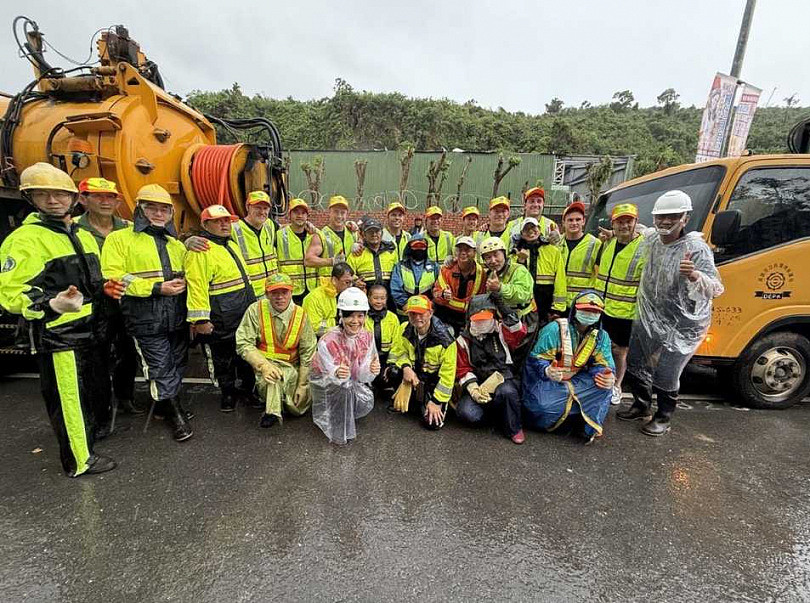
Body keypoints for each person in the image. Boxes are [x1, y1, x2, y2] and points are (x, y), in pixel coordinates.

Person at [0, 163, 115, 476]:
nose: (53, 200)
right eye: (43, 194)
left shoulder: (81, 234)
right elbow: (11, 293)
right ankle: (79, 461)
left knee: (86, 394)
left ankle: (88, 442)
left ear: (72, 197)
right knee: (68, 400)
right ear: (31, 199)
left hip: (90, 330)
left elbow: (94, 281)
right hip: (58, 334)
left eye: (59, 194)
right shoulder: (25, 240)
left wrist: (109, 286)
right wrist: (50, 304)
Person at [617, 190, 723, 436]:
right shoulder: (652, 238)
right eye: (661, 216)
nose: (665, 221)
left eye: (672, 216)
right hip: (648, 315)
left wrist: (694, 275)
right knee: (636, 363)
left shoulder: (696, 248)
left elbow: (717, 288)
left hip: (682, 325)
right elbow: (637, 229)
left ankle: (664, 416)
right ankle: (641, 405)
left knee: (666, 372)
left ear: (685, 218)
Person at [101, 184, 193, 442]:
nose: (158, 213)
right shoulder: (119, 240)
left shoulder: (176, 244)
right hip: (145, 318)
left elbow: (189, 272)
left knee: (177, 362)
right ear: (139, 209)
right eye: (151, 207)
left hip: (176, 316)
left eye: (164, 209)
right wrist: (155, 288)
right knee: (160, 366)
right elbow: (114, 276)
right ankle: (175, 414)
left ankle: (169, 404)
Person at [75, 177, 140, 429]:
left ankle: (125, 397)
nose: (105, 201)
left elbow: (160, 243)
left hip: (124, 301)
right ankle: (99, 409)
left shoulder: (129, 228)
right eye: (98, 196)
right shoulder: (74, 231)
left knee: (127, 352)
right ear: (83, 199)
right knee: (96, 357)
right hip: (92, 304)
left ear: (117, 200)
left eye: (110, 197)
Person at [185, 204, 256, 412]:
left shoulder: (230, 244)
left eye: (227, 220)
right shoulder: (201, 250)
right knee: (221, 359)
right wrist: (200, 320)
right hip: (220, 317)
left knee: (243, 355)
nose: (225, 224)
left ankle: (246, 390)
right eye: (218, 221)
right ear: (205, 224)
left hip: (241, 312)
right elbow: (197, 286)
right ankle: (227, 393)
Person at [522, 291, 615, 444]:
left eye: (594, 312)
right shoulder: (554, 330)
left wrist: (608, 376)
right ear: (575, 310)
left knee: (604, 386)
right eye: (585, 310)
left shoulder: (601, 336)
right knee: (543, 407)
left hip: (577, 381)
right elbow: (534, 361)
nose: (589, 314)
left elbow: (604, 365)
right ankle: (571, 415)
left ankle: (586, 427)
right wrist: (547, 370)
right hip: (548, 382)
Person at [236, 273, 317, 428]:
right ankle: (272, 412)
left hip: (292, 368)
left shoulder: (301, 314)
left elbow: (308, 352)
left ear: (291, 292)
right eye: (274, 293)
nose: (280, 297)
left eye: (284, 292)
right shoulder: (255, 310)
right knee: (273, 378)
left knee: (297, 409)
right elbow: (243, 342)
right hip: (265, 365)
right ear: (267, 294)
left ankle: (279, 402)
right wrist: (263, 366)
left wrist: (302, 384)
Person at [310, 287, 380, 444]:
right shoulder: (328, 341)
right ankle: (336, 425)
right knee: (344, 388)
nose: (355, 321)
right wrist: (336, 373)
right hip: (328, 387)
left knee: (359, 397)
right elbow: (327, 376)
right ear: (341, 315)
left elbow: (362, 376)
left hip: (351, 382)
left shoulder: (367, 336)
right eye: (350, 316)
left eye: (360, 316)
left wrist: (371, 370)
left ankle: (346, 412)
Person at [455, 294, 527, 444]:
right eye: (478, 320)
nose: (482, 322)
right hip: (480, 383)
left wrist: (502, 306)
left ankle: (514, 428)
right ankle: (495, 417)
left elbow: (519, 330)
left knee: (507, 392)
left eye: (486, 319)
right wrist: (474, 389)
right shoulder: (463, 340)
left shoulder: (501, 331)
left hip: (503, 379)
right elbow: (462, 368)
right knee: (467, 413)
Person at [594, 203, 646, 406]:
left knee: (619, 351)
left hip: (626, 311)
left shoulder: (643, 248)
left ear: (635, 223)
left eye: (628, 221)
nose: (624, 225)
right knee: (600, 347)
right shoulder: (609, 243)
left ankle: (616, 385)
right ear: (613, 224)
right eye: (620, 221)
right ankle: (602, 380)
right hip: (602, 308)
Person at [388, 295, 457, 430]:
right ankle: (413, 402)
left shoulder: (446, 341)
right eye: (412, 313)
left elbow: (447, 376)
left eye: (421, 313)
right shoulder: (404, 328)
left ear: (430, 313)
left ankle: (422, 403)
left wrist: (437, 401)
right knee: (393, 371)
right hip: (413, 377)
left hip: (432, 383)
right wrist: (406, 367)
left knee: (432, 424)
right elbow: (398, 352)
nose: (417, 317)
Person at [479, 236, 537, 364]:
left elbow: (524, 294)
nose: (493, 261)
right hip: (503, 320)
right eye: (488, 257)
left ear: (504, 254)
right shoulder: (489, 274)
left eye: (496, 255)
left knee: (520, 357)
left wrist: (500, 287)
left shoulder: (518, 270)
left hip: (524, 320)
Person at [512, 217, 567, 324]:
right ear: (522, 233)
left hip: (546, 304)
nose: (531, 231)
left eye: (533, 227)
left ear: (540, 229)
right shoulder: (515, 252)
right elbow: (513, 280)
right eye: (526, 229)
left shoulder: (553, 251)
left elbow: (560, 280)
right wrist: (520, 260)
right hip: (524, 305)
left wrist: (558, 308)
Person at [432, 236, 486, 335]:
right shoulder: (446, 270)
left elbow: (482, 300)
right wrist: (443, 294)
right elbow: (436, 294)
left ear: (474, 253)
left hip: (469, 318)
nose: (463, 252)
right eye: (460, 249)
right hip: (446, 316)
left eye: (467, 250)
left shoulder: (481, 274)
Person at [230, 190, 278, 298]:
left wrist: (308, 226)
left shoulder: (270, 225)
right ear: (248, 207)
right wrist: (191, 241)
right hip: (250, 294)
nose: (262, 212)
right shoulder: (234, 229)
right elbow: (214, 239)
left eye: (265, 208)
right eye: (257, 207)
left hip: (272, 291)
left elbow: (289, 230)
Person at [275, 198, 318, 306]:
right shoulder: (279, 235)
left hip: (312, 289)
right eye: (296, 212)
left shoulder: (314, 235)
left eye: (303, 213)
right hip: (290, 291)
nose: (300, 216)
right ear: (289, 215)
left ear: (307, 216)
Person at [306, 194, 356, 285]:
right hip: (328, 286)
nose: (339, 216)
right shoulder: (321, 235)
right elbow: (308, 260)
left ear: (347, 214)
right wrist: (331, 261)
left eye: (342, 213)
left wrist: (359, 244)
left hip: (349, 285)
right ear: (329, 212)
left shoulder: (352, 234)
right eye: (336, 212)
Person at [559, 201, 601, 308]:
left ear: (583, 221)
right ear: (563, 222)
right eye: (570, 220)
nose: (574, 223)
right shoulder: (557, 243)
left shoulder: (595, 244)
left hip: (583, 303)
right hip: (560, 302)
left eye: (578, 219)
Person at [302, 262, 355, 337]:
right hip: (320, 340)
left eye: (352, 282)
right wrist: (337, 329)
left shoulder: (346, 294)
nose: (350, 286)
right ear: (334, 280)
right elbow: (314, 328)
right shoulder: (314, 298)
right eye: (347, 282)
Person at [390, 235, 439, 316]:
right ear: (409, 248)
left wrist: (432, 304)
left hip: (426, 312)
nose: (419, 249)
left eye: (422, 246)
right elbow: (395, 289)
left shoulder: (435, 267)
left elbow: (438, 288)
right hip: (406, 312)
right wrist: (405, 304)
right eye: (415, 246)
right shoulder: (400, 266)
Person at [364, 284, 400, 394]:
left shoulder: (392, 318)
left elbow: (397, 344)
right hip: (368, 359)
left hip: (385, 358)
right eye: (375, 298)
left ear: (387, 299)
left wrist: (390, 364)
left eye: (382, 298)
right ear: (369, 298)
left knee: (392, 374)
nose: (379, 301)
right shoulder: (363, 317)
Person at [347, 217, 397, 293]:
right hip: (363, 295)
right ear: (364, 234)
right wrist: (355, 282)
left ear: (382, 233)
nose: (374, 234)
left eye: (377, 231)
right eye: (370, 232)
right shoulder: (357, 252)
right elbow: (347, 275)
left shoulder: (391, 251)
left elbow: (398, 274)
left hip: (389, 296)